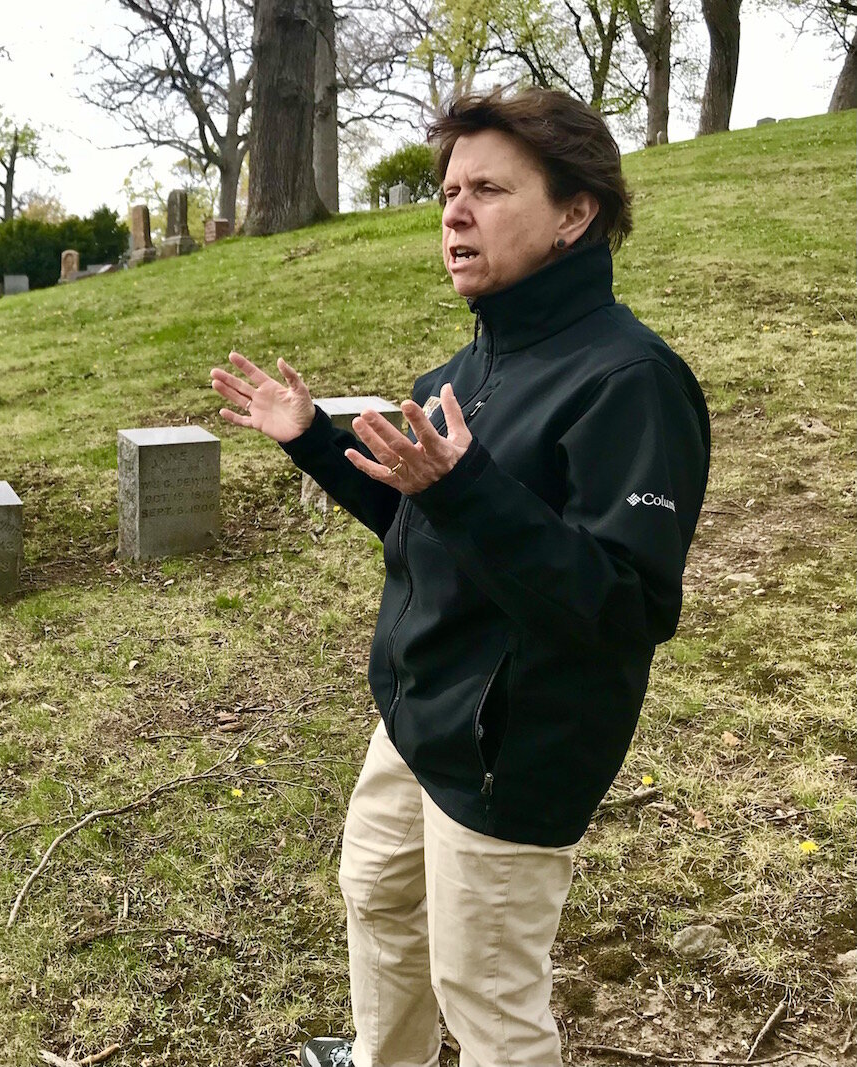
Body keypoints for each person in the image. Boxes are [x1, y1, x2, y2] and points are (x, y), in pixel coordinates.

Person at [210, 87, 710, 1067]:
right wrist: (311, 442)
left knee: (484, 997)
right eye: (448, 189)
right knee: (376, 897)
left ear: (574, 213)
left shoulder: (630, 381)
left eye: (487, 187)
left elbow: (622, 608)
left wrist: (468, 486)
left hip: (516, 743)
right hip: (419, 711)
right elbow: (423, 519)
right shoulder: (470, 365)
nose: (453, 210)